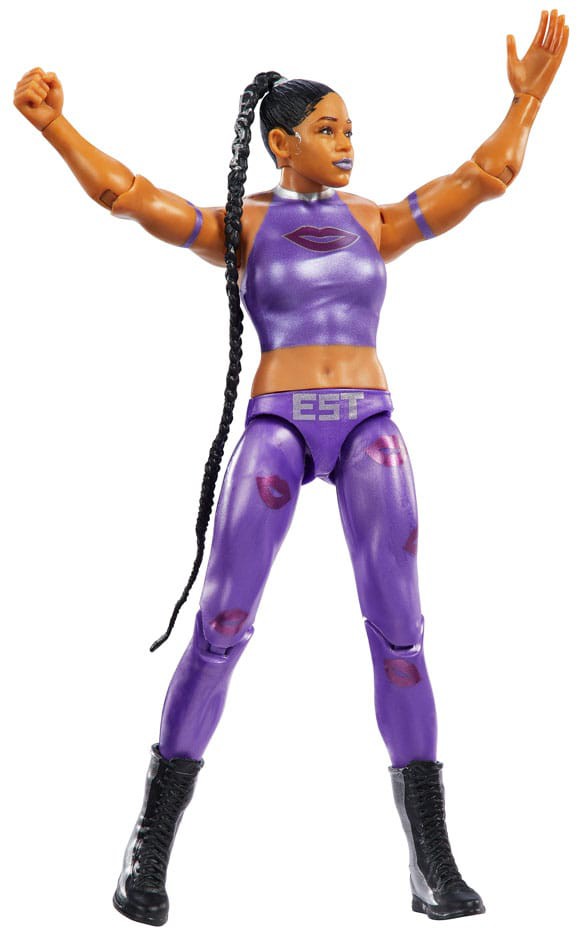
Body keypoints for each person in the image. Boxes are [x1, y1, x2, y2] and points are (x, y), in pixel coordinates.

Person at [13, 9, 568, 924]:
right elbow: (128, 195)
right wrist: (54, 126)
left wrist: (529, 101)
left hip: (368, 429)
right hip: (276, 431)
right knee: (221, 627)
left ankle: (431, 858)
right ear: (282, 143)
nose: (347, 143)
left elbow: (487, 176)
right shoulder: (241, 227)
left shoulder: (374, 220)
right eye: (329, 129)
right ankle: (148, 847)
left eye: (351, 129)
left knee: (401, 635)